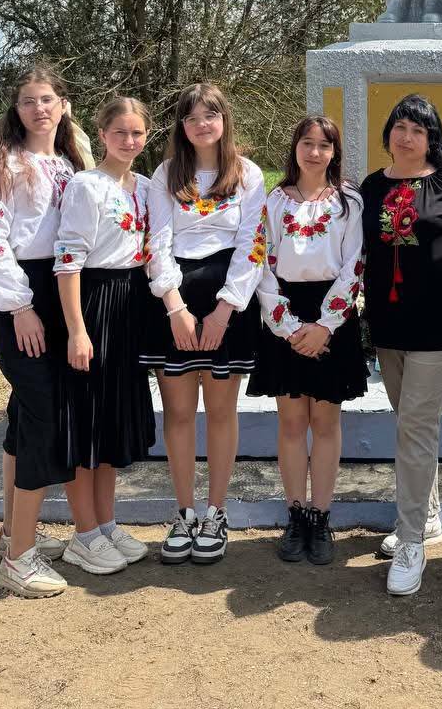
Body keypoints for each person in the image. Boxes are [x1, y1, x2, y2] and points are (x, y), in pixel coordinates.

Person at [0, 64, 86, 597]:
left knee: (24, 415)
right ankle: (18, 560)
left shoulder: (69, 163)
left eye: (47, 99)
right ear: (16, 111)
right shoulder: (2, 164)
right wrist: (20, 306)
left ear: (63, 106)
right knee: (43, 416)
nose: (39, 108)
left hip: (61, 295)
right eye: (28, 101)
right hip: (21, 297)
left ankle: (11, 534)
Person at [359, 93, 442, 596]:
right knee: (411, 423)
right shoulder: (370, 188)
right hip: (390, 327)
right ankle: (427, 515)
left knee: (414, 425)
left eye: (418, 129)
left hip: (441, 327)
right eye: (400, 127)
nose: (407, 137)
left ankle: (410, 541)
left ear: (432, 138)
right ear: (388, 134)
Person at [142, 83, 265, 565]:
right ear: (182, 126)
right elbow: (157, 241)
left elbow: (253, 245)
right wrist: (175, 307)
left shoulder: (248, 173)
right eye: (191, 117)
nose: (201, 125)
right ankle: (184, 513)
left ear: (223, 119)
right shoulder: (166, 173)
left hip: (225, 302)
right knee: (177, 413)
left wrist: (225, 309)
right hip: (174, 300)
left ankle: (216, 513)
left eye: (209, 115)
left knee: (219, 412)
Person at [247, 117, 368, 566]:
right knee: (293, 422)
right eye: (307, 143)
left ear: (335, 152)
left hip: (331, 317)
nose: (314, 153)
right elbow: (260, 262)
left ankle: (321, 516)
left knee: (326, 422)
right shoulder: (274, 201)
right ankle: (296, 514)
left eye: (324, 145)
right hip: (286, 315)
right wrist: (288, 326)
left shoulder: (348, 201)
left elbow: (355, 265)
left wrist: (324, 326)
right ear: (295, 147)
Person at [55, 97, 156, 576]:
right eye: (120, 132)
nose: (129, 141)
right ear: (102, 134)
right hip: (94, 304)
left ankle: (107, 523)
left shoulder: (146, 186)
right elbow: (68, 260)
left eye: (137, 133)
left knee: (111, 421)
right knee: (86, 420)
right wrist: (77, 330)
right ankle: (83, 533)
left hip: (130, 304)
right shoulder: (85, 186)